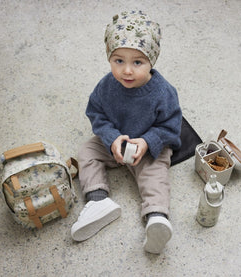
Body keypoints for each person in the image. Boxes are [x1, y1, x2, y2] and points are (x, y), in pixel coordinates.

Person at [71, 10, 182, 254]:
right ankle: (98, 200)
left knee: (155, 174)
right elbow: (96, 114)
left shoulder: (164, 93)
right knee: (87, 151)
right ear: (109, 57)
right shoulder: (106, 86)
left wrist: (147, 140)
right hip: (116, 141)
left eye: (137, 62)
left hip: (148, 146)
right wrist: (111, 138)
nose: (127, 71)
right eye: (118, 60)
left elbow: (171, 126)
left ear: (152, 61)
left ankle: (156, 218)